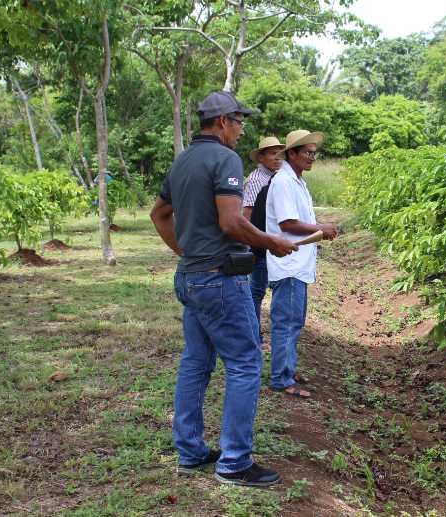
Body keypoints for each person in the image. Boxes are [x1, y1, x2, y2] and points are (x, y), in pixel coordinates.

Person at [149, 91, 297, 487]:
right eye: (238, 123)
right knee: (246, 362)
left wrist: (186, 251)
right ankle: (234, 462)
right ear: (221, 122)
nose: (240, 131)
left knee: (196, 362)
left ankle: (190, 451)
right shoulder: (224, 159)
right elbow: (232, 222)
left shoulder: (182, 161)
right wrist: (272, 241)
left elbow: (159, 214)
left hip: (190, 275)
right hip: (218, 279)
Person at [265, 129, 338, 398]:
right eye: (307, 152)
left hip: (297, 264)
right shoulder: (284, 182)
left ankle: (286, 370)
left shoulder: (297, 181)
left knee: (294, 321)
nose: (312, 157)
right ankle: (281, 378)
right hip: (289, 265)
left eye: (314, 153)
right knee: (287, 322)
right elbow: (288, 224)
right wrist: (321, 227)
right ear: (292, 154)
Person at [242, 137, 285, 350]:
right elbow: (247, 214)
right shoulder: (256, 180)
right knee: (256, 291)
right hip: (259, 244)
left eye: (280, 153)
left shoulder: (275, 177)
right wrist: (252, 244)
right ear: (261, 157)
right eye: (272, 154)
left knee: (261, 289)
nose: (277, 158)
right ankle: (253, 337)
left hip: (270, 243)